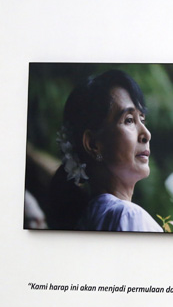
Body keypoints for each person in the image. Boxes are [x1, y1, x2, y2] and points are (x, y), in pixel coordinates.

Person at [47, 70, 162, 232]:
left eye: (142, 120)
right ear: (93, 144)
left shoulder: (86, 219)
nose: (146, 134)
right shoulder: (128, 216)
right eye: (129, 120)